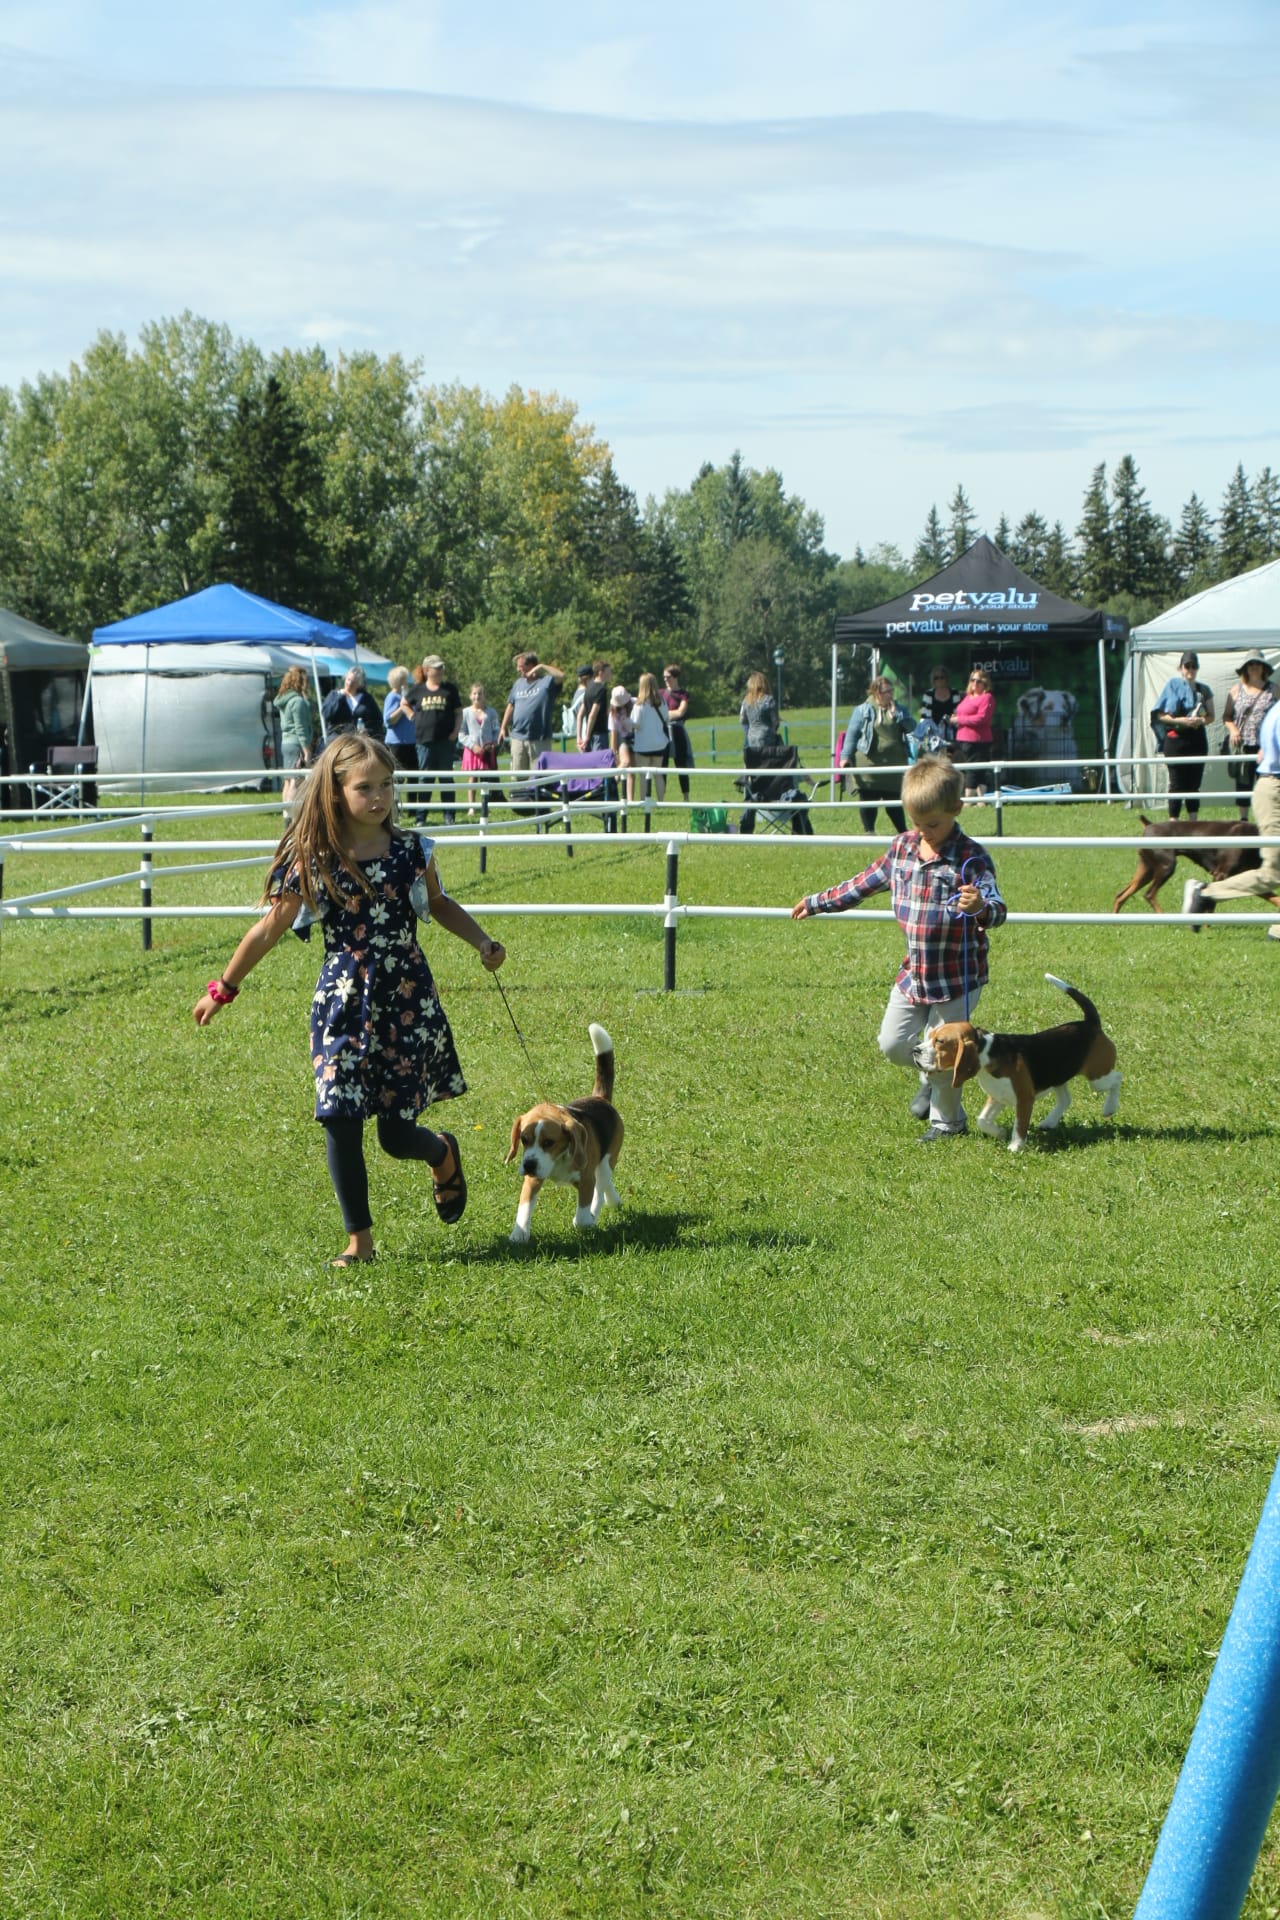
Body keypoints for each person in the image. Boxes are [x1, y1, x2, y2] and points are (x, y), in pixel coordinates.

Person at [192, 734, 506, 1267]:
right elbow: (268, 929)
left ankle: (442, 1152)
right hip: (341, 1002)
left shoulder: (412, 851)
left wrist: (482, 942)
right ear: (336, 792)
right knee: (338, 1114)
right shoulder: (314, 858)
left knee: (395, 1136)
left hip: (405, 999)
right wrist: (224, 987)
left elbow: (438, 904)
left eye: (386, 785)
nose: (379, 796)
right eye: (365, 787)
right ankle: (360, 1242)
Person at [791, 755, 1006, 1143]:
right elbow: (862, 883)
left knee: (944, 1050)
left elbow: (997, 909)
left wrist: (980, 908)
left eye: (933, 824)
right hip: (914, 974)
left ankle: (947, 1123)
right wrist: (819, 902)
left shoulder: (970, 859)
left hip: (957, 978)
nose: (925, 832)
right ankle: (930, 1075)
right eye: (917, 823)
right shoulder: (902, 849)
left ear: (956, 809)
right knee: (892, 1044)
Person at [1184, 696, 1280, 926]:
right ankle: (1205, 893)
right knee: (1272, 873)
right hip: (1275, 791)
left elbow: (1264, 752)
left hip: (1271, 787)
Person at [840, 674, 913, 835]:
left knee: (894, 800)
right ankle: (869, 832)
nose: (890, 694)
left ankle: (903, 832)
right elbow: (852, 735)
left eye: (891, 691)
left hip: (894, 764)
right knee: (868, 798)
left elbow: (912, 729)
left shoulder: (900, 709)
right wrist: (845, 757)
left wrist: (898, 715)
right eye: (886, 691)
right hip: (868, 764)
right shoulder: (862, 710)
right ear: (876, 693)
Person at [1152, 650, 1215, 821]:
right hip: (1175, 740)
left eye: (1194, 666)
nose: (1190, 670)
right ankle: (1174, 822)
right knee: (1176, 783)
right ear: (1180, 668)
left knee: (1194, 784)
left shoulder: (1204, 690)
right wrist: (1180, 721)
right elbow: (1160, 715)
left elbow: (1211, 716)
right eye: (1187, 666)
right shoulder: (1172, 686)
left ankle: (1193, 823)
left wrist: (1199, 721)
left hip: (1197, 740)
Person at [407, 653, 463, 825]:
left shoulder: (450, 689)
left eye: (441, 668)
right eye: (437, 668)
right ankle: (421, 817)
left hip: (445, 741)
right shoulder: (418, 689)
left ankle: (449, 815)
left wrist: (456, 731)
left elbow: (458, 712)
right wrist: (412, 716)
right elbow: (404, 703)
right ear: (427, 670)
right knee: (426, 779)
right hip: (424, 741)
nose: (440, 671)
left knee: (446, 778)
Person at [1222, 653, 1275, 820]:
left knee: (1266, 784)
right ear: (1245, 668)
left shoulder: (1274, 689)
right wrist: (1233, 730)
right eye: (1251, 664)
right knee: (1243, 784)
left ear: (1264, 667)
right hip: (1243, 745)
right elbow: (1227, 717)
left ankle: (1265, 820)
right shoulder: (1236, 690)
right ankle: (1244, 821)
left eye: (1258, 664)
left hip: (1267, 747)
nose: (1254, 667)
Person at [499, 652, 565, 782]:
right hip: (518, 738)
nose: (518, 669)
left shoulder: (546, 682)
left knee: (540, 778)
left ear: (531, 666)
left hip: (539, 739)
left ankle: (537, 796)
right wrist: (503, 727)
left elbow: (561, 676)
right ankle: (520, 795)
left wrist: (541, 666)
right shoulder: (518, 684)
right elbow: (511, 705)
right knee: (518, 778)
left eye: (520, 666)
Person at [274, 666, 316, 810]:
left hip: (286, 743)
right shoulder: (298, 702)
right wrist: (306, 750)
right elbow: (300, 728)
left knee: (288, 780)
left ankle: (287, 814)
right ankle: (293, 815)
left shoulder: (284, 700)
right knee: (296, 781)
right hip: (297, 745)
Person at [952, 669, 996, 800]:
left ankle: (969, 800)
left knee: (974, 770)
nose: (975, 683)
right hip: (963, 739)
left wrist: (959, 719)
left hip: (978, 740)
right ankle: (981, 801)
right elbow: (961, 713)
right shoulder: (967, 697)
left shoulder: (987, 697)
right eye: (973, 680)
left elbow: (982, 718)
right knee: (971, 770)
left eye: (979, 681)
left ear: (985, 683)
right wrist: (955, 718)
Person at [458, 682, 501, 813]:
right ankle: (471, 807)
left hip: (487, 750)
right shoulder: (465, 713)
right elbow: (461, 733)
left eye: (480, 693)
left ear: (484, 695)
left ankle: (485, 805)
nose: (477, 696)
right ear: (470, 696)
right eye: (475, 693)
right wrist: (472, 745)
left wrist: (493, 743)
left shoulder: (491, 712)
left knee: (486, 779)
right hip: (472, 750)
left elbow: (496, 730)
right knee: (472, 778)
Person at [631, 672, 671, 799]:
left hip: (643, 745)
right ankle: (661, 801)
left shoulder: (639, 704)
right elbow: (666, 718)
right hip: (659, 744)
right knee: (658, 774)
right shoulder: (662, 702)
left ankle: (644, 801)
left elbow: (636, 724)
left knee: (643, 776)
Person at [321, 666, 384, 741]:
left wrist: (368, 731)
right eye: (348, 680)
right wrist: (340, 697)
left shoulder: (367, 699)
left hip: (359, 741)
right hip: (336, 739)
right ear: (345, 679)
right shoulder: (334, 695)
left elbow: (377, 721)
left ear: (359, 684)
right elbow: (326, 715)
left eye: (353, 682)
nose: (349, 683)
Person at [660, 663, 694, 800]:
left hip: (678, 731)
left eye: (668, 677)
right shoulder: (660, 693)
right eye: (664, 677)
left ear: (675, 677)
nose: (665, 679)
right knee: (662, 765)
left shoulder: (683, 694)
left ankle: (686, 797)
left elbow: (680, 712)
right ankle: (661, 797)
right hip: (663, 731)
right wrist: (669, 714)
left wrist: (663, 714)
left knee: (681, 764)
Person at [381, 666, 418, 775]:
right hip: (397, 743)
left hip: (411, 742)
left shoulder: (406, 696)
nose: (407, 681)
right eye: (405, 679)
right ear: (399, 680)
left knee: (414, 776)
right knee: (398, 776)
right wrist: (402, 707)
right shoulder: (392, 697)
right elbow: (388, 720)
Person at [740, 670, 779, 752]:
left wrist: (749, 733)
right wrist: (772, 732)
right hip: (767, 737)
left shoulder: (746, 701)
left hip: (751, 738)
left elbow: (742, 720)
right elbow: (775, 722)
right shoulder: (769, 700)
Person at [608, 685, 636, 799]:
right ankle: (611, 783)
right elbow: (614, 734)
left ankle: (630, 800)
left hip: (635, 737)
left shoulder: (634, 703)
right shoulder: (613, 713)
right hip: (623, 739)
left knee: (632, 770)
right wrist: (613, 753)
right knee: (625, 761)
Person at [919, 666, 959, 745]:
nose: (939, 680)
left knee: (951, 751)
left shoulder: (954, 693)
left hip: (951, 732)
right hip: (934, 733)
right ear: (933, 680)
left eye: (942, 677)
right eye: (936, 678)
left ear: (946, 678)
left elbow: (957, 713)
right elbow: (925, 717)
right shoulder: (929, 694)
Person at [577, 666, 611, 753]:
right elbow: (592, 715)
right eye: (608, 672)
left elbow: (580, 715)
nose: (611, 674)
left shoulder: (588, 689)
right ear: (600, 673)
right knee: (600, 761)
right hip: (599, 734)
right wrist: (587, 737)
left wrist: (579, 737)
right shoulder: (601, 690)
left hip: (589, 734)